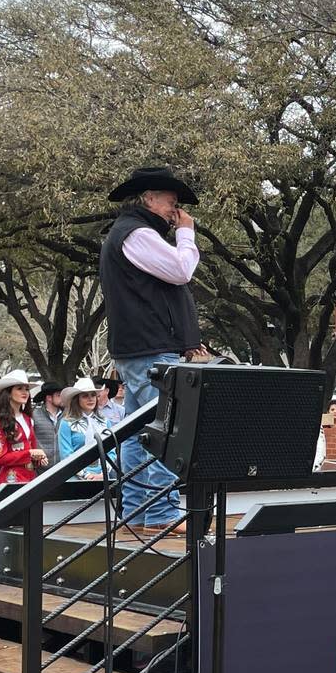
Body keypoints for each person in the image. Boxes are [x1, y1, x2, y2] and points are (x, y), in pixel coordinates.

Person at [99, 166, 206, 536]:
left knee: (138, 432)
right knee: (164, 429)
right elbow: (181, 270)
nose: (175, 211)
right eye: (170, 202)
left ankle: (138, 512)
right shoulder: (138, 233)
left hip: (139, 346)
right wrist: (187, 234)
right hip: (149, 346)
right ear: (147, 198)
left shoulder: (127, 232)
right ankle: (159, 513)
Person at [0, 369, 47, 490]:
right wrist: (30, 453)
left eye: (26, 389)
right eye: (19, 388)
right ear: (8, 393)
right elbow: (0, 458)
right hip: (10, 482)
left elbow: (31, 449)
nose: (25, 392)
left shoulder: (28, 418)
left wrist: (39, 458)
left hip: (31, 479)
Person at [57, 378, 110, 481]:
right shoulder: (66, 423)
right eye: (85, 396)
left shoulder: (105, 422)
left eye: (93, 395)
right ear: (77, 399)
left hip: (102, 476)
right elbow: (66, 455)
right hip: (75, 477)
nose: (90, 399)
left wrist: (103, 473)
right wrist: (86, 475)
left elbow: (111, 451)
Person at [31, 382, 63, 466]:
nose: (62, 398)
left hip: (64, 467)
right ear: (49, 398)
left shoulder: (66, 415)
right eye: (59, 395)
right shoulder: (34, 415)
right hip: (41, 468)